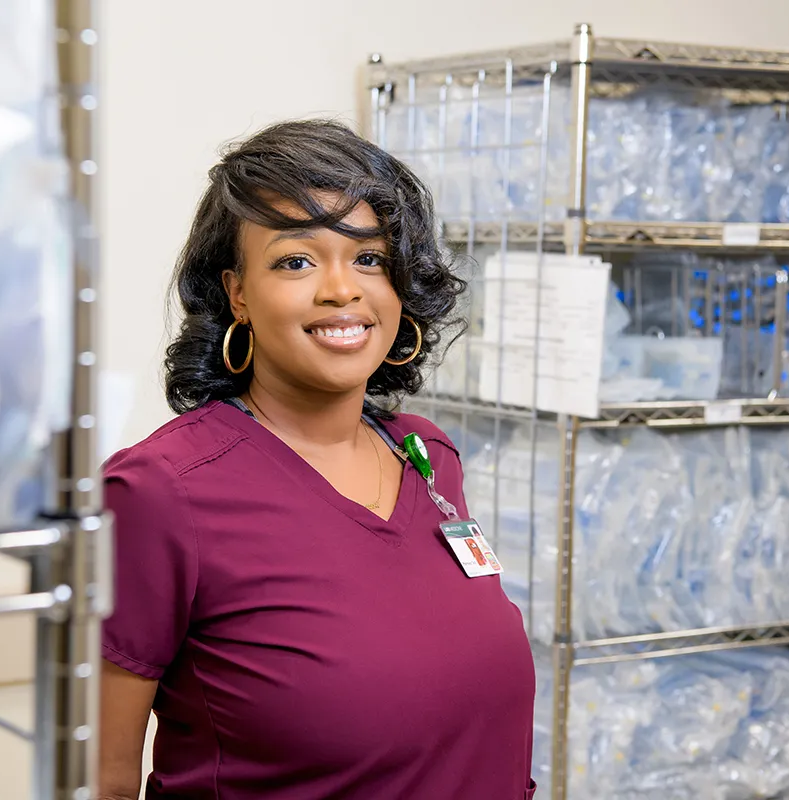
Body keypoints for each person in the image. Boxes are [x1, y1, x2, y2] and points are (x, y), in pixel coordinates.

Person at [98, 119, 536, 800]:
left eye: (369, 258)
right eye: (296, 261)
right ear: (238, 293)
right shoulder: (160, 491)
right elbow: (100, 773)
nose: (342, 290)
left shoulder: (428, 457)